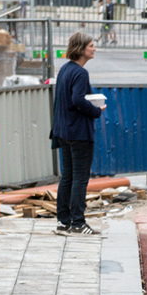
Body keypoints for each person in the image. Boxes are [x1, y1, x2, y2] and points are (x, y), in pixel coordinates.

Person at [52, 32, 102, 237]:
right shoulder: (81, 73)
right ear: (81, 49)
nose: (94, 48)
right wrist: (97, 110)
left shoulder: (65, 69)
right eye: (91, 45)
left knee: (68, 177)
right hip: (78, 132)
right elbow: (78, 100)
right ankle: (78, 223)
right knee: (80, 178)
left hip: (63, 130)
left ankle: (64, 222)